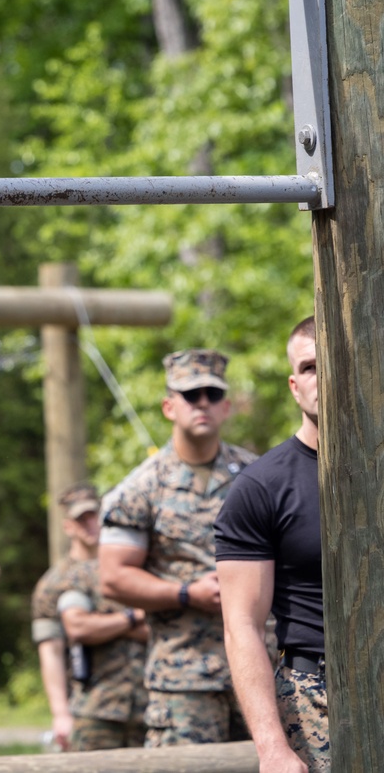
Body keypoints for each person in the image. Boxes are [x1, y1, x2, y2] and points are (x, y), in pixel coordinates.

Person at [98, 349, 257, 746]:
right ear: (169, 406)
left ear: (227, 407)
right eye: (191, 394)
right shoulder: (140, 488)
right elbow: (113, 579)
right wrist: (186, 594)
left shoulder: (258, 478)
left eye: (212, 393)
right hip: (184, 678)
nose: (202, 402)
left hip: (261, 669)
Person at [215, 316, 327, 773]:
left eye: (335, 362)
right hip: (318, 695)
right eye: (310, 367)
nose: (323, 377)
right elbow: (241, 623)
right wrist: (272, 747)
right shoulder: (262, 486)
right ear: (294, 385)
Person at [31, 484, 148, 751]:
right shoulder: (54, 582)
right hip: (93, 708)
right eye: (81, 519)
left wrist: (101, 626)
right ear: (68, 526)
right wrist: (60, 714)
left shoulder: (130, 569)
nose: (91, 524)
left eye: (95, 515)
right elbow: (52, 650)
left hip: (148, 705)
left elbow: (157, 627)